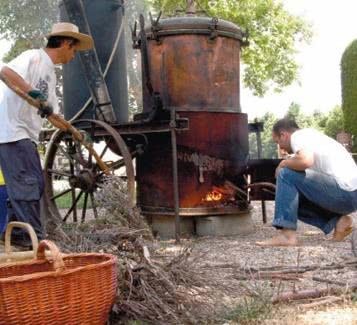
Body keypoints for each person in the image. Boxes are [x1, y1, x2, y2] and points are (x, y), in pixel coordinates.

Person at [0, 22, 93, 247]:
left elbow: (53, 115)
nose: (73, 55)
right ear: (65, 42)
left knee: (32, 184)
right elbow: (5, 72)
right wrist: (32, 92)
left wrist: (75, 132)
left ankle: (14, 235)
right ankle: (33, 240)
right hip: (10, 130)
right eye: (73, 49)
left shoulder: (50, 74)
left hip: (23, 134)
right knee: (29, 183)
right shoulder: (33, 57)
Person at [256, 118, 357, 246]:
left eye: (278, 142)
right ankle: (339, 222)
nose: (281, 148)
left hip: (345, 192)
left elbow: (305, 161)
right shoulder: (311, 137)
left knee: (285, 173)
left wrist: (283, 163)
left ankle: (287, 235)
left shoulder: (298, 136)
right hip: (350, 194)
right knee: (289, 197)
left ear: (283, 135)